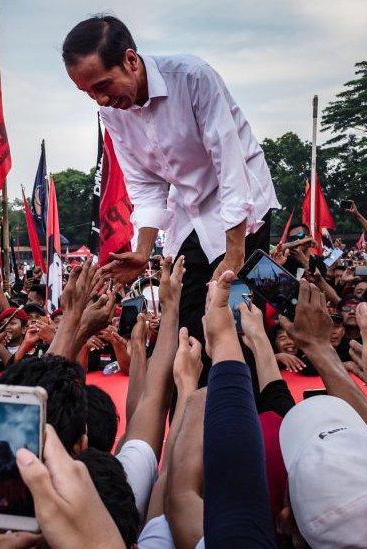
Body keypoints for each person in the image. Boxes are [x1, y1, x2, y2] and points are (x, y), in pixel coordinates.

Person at [64, 15, 280, 385]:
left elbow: (230, 166)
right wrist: (143, 249)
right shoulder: (111, 113)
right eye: (88, 93)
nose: (100, 99)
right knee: (188, 328)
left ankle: (252, 422)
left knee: (237, 326)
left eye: (102, 85)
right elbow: (146, 185)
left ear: (131, 60)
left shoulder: (192, 76)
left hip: (243, 211)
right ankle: (192, 420)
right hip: (189, 213)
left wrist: (234, 254)